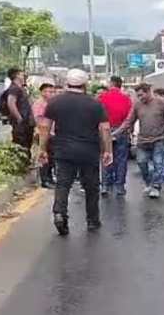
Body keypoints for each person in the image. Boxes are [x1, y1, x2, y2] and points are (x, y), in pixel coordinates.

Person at [38, 69, 112, 236]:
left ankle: (59, 213)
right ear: (85, 85)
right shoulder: (95, 104)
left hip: (63, 150)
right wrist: (108, 150)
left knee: (63, 184)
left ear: (67, 83)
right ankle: (92, 220)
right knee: (91, 186)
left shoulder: (55, 102)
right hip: (89, 151)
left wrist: (42, 149)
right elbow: (105, 129)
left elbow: (45, 127)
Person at [117, 83, 164, 199]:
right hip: (143, 140)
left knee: (158, 164)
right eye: (138, 95)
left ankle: (156, 186)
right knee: (141, 162)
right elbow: (129, 121)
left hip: (159, 139)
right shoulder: (137, 105)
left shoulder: (161, 102)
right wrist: (116, 133)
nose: (140, 98)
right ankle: (148, 182)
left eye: (141, 95)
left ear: (148, 92)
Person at [98, 76, 133, 196]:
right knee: (121, 159)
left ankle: (105, 185)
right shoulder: (126, 98)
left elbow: (98, 115)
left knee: (106, 157)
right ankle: (120, 186)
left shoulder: (102, 97)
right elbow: (130, 117)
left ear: (112, 83)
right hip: (121, 130)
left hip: (105, 130)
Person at [32, 81, 57, 189]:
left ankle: (49, 178)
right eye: (48, 91)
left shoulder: (50, 104)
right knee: (44, 156)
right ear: (42, 92)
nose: (50, 94)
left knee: (51, 157)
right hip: (43, 134)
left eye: (52, 92)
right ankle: (44, 180)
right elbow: (37, 120)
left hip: (51, 133)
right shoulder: (39, 104)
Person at [6, 68, 35, 159]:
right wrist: (19, 118)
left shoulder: (21, 88)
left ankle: (27, 161)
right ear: (17, 75)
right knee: (22, 145)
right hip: (21, 123)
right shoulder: (14, 89)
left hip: (26, 122)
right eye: (22, 74)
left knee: (27, 144)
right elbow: (11, 103)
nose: (24, 76)